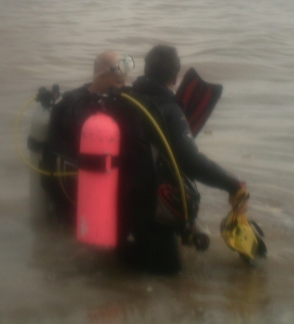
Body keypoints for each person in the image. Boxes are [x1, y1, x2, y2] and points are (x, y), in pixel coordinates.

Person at [118, 44, 247, 274]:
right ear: (175, 77)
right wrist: (233, 184)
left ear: (146, 69)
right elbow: (190, 161)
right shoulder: (168, 109)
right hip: (150, 209)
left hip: (121, 199)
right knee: (170, 275)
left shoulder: (126, 99)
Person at [41, 50, 133, 223]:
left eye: (124, 81)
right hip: (72, 189)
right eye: (118, 81)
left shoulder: (106, 98)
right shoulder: (76, 107)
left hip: (88, 183)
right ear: (102, 77)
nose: (123, 86)